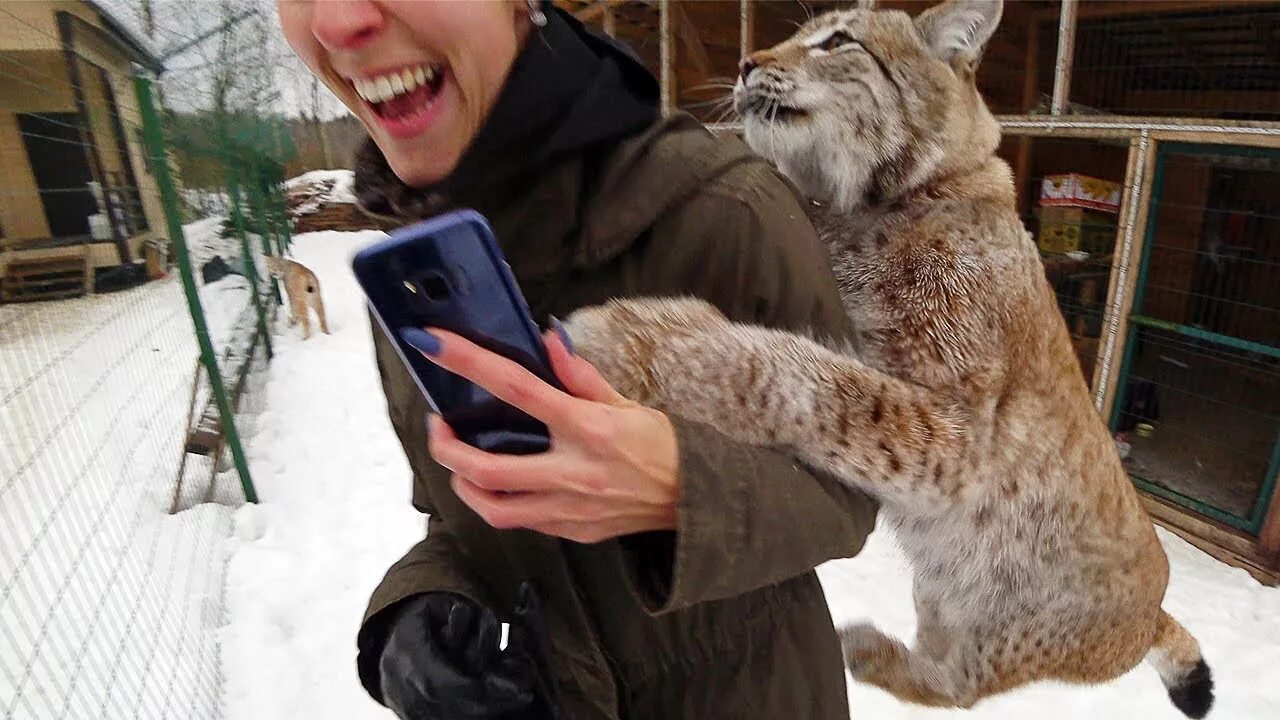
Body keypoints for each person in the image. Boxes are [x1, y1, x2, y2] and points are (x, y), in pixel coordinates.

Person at [277, 1, 877, 718]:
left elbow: (854, 486)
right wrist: (418, 607)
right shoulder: (410, 277)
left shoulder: (728, 210)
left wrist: (681, 487)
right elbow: (456, 512)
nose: (337, 22)